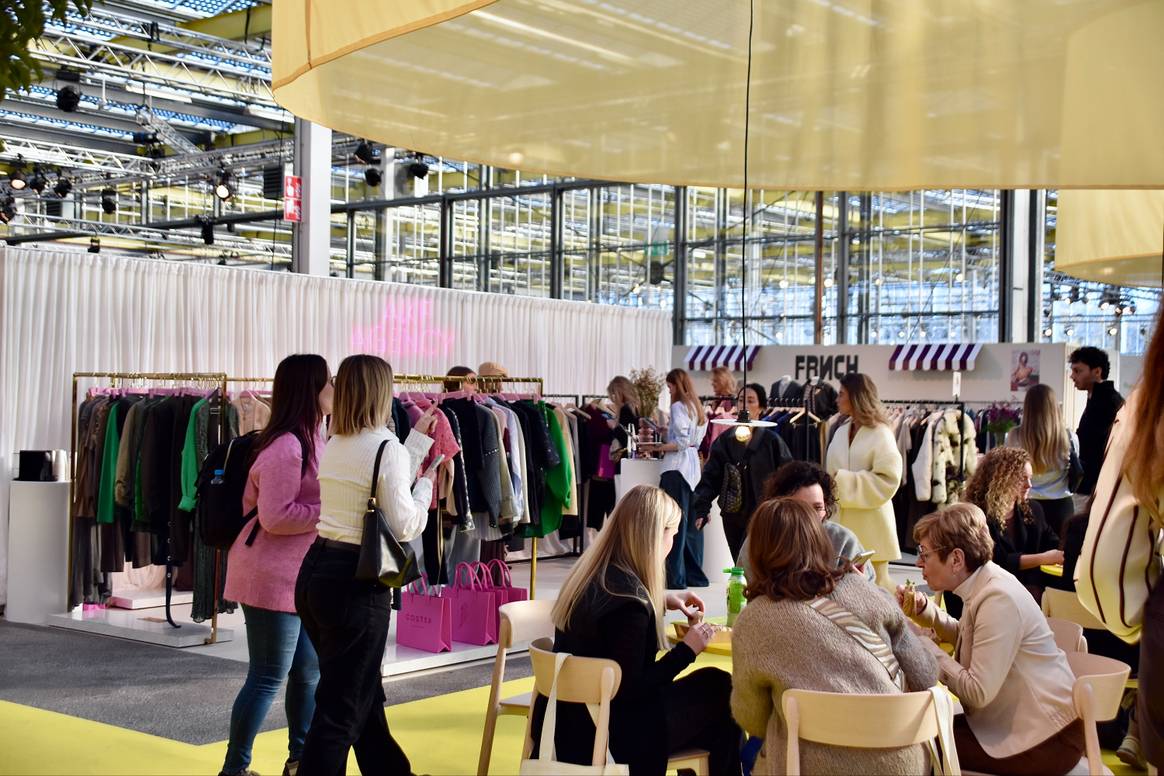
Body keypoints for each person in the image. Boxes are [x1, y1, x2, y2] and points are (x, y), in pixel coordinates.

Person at [532, 485, 741, 775]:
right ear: (655, 537)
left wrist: (662, 599)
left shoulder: (589, 578)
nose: (675, 541)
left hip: (567, 724)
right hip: (611, 735)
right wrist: (688, 649)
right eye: (672, 533)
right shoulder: (630, 606)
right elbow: (634, 689)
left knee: (718, 719)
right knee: (721, 688)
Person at [295, 354, 438, 775]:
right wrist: (428, 484)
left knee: (360, 691)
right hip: (357, 584)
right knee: (342, 707)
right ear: (381, 391)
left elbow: (376, 480)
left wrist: (415, 445)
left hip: (317, 574)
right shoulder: (383, 448)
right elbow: (406, 522)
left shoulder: (334, 439)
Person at [731, 498, 937, 775]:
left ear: (756, 552)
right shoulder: (866, 590)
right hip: (901, 762)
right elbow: (925, 675)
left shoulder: (754, 620)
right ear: (821, 540)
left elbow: (752, 720)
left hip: (805, 766)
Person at [899, 503, 1083, 774]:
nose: (918, 563)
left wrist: (924, 648)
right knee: (917, 728)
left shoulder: (998, 598)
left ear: (956, 559)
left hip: (1047, 740)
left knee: (911, 743)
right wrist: (928, 613)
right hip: (1027, 726)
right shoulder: (988, 583)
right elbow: (974, 637)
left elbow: (977, 692)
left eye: (924, 554)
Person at [220, 355, 332, 776]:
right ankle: (235, 768)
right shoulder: (287, 445)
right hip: (269, 577)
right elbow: (276, 516)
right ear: (310, 389)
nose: (335, 390)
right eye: (328, 382)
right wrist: (329, 511)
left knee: (307, 672)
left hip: (297, 577)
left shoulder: (314, 436)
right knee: (268, 675)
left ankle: (299, 760)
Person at [1078, 309, 1164, 772]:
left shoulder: (1146, 405)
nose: (1074, 375)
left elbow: (1104, 560)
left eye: (1078, 368)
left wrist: (1141, 623)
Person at [694, 383, 794, 563]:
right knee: (739, 562)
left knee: (760, 563)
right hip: (733, 516)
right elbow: (711, 477)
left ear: (761, 407)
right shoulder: (724, 441)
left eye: (750, 401)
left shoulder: (773, 442)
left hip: (764, 516)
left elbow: (790, 478)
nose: (744, 405)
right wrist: (701, 507)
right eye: (741, 400)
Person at [825, 373, 903, 591]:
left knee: (877, 588)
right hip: (842, 524)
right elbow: (829, 474)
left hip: (873, 525)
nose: (837, 399)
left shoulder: (881, 434)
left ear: (856, 397)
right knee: (843, 589)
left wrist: (842, 482)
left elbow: (889, 478)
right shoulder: (840, 431)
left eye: (842, 394)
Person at [737, 461, 875, 583]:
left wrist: (861, 587)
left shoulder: (843, 540)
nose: (809, 516)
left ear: (826, 508)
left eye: (817, 508)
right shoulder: (760, 539)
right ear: (780, 507)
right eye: (800, 509)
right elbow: (745, 589)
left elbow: (870, 595)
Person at [640, 368, 709, 589]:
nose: (668, 390)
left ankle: (674, 578)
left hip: (676, 469)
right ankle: (694, 575)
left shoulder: (678, 407)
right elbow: (690, 440)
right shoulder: (697, 408)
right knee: (689, 527)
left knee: (672, 524)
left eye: (669, 386)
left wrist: (658, 446)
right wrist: (666, 431)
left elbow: (679, 443)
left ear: (676, 385)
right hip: (692, 469)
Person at [963, 447, 1062, 600]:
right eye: (1022, 478)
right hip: (989, 592)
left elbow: (1052, 542)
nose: (1029, 485)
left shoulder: (1032, 509)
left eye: (1030, 478)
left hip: (1028, 590)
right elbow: (995, 562)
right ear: (1002, 478)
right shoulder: (976, 514)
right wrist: (1043, 558)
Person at [1005, 384, 1078, 535]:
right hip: (1061, 505)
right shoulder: (1069, 437)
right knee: (1060, 554)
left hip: (1025, 505)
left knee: (1029, 556)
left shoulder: (1013, 437)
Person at [1069, 346, 1124, 496]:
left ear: (1097, 372)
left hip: (1097, 485)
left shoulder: (1108, 402)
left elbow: (1097, 447)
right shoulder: (1098, 399)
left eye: (1078, 371)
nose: (1072, 376)